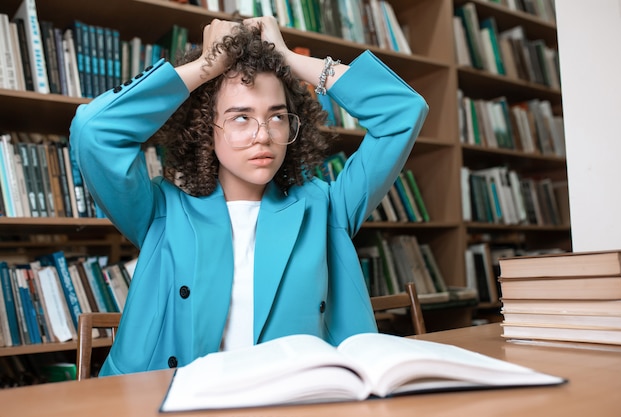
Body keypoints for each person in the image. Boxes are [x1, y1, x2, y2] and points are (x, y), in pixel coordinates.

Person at [70, 16, 428, 376]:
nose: (263, 135)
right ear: (205, 129)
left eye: (277, 117)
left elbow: (402, 112)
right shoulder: (162, 213)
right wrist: (206, 66)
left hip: (299, 400)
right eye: (241, 118)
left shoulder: (327, 208)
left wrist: (286, 59)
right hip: (172, 401)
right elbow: (93, 131)